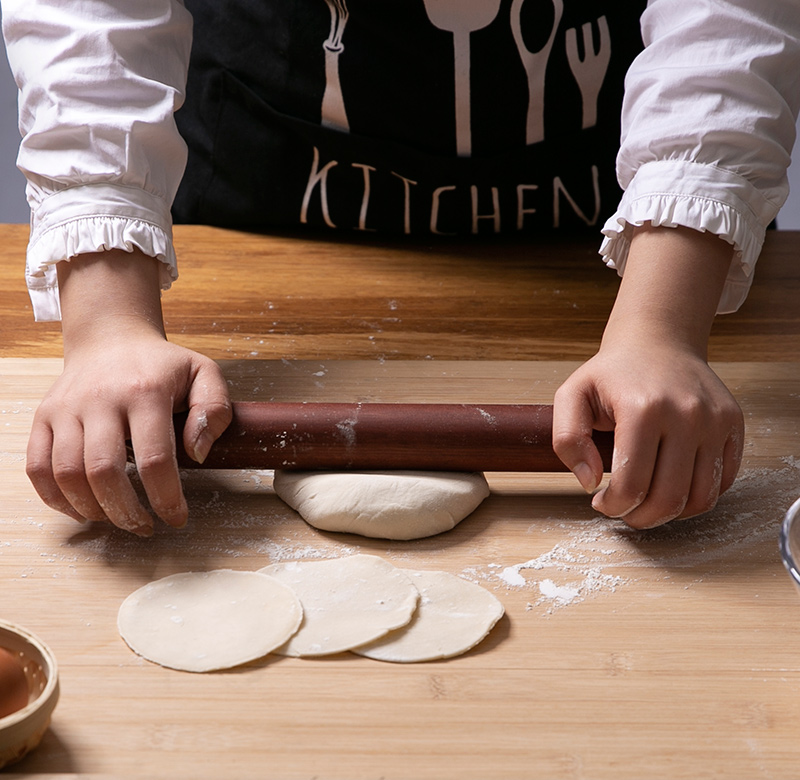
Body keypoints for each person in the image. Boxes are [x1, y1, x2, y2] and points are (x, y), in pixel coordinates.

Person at [3, 0, 799, 536]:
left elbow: (725, 17)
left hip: (611, 210)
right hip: (271, 183)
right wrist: (109, 323)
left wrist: (661, 324)